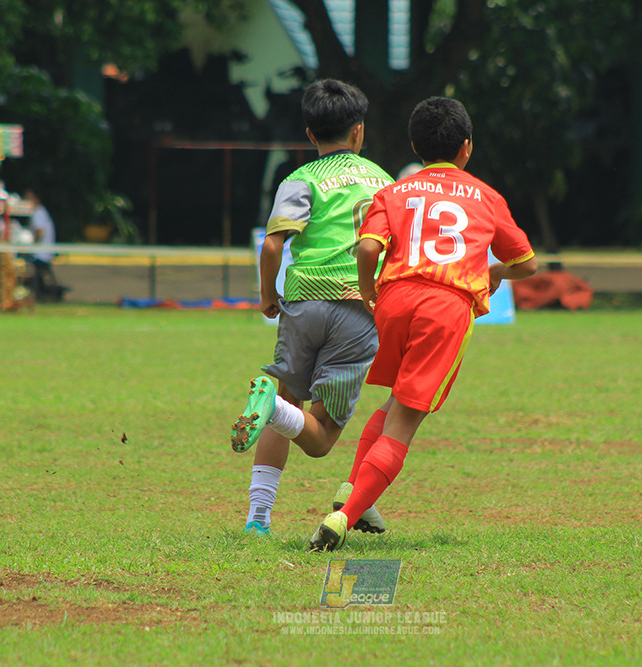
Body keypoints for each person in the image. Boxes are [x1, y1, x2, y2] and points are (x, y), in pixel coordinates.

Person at [307, 96, 540, 551]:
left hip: (394, 302)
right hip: (445, 306)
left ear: (415, 145)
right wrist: (496, 271)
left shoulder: (393, 192)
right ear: (467, 148)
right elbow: (527, 264)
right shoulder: (487, 197)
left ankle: (353, 492)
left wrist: (371, 293)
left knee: (398, 401)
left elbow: (369, 250)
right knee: (405, 422)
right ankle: (341, 517)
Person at [229, 79, 394, 537]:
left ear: (309, 135)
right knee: (318, 438)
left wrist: (267, 297)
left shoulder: (300, 180)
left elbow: (272, 244)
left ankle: (258, 520)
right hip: (357, 309)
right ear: (359, 132)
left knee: (285, 401)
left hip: (301, 303)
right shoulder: (384, 183)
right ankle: (279, 414)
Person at [24, 189, 60, 301]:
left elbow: (40, 231)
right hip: (46, 252)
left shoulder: (38, 212)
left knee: (23, 263)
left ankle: (31, 294)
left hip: (41, 254)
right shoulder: (42, 212)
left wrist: (33, 245)